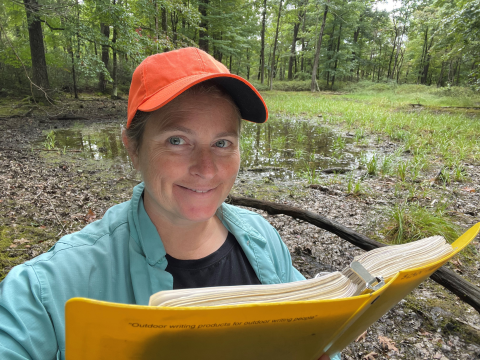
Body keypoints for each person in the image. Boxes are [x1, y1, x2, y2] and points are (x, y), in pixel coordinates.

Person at [0, 47, 336, 360]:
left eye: (221, 142)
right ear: (133, 148)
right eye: (177, 140)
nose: (205, 168)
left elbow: (316, 333)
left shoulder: (263, 241)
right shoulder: (51, 287)